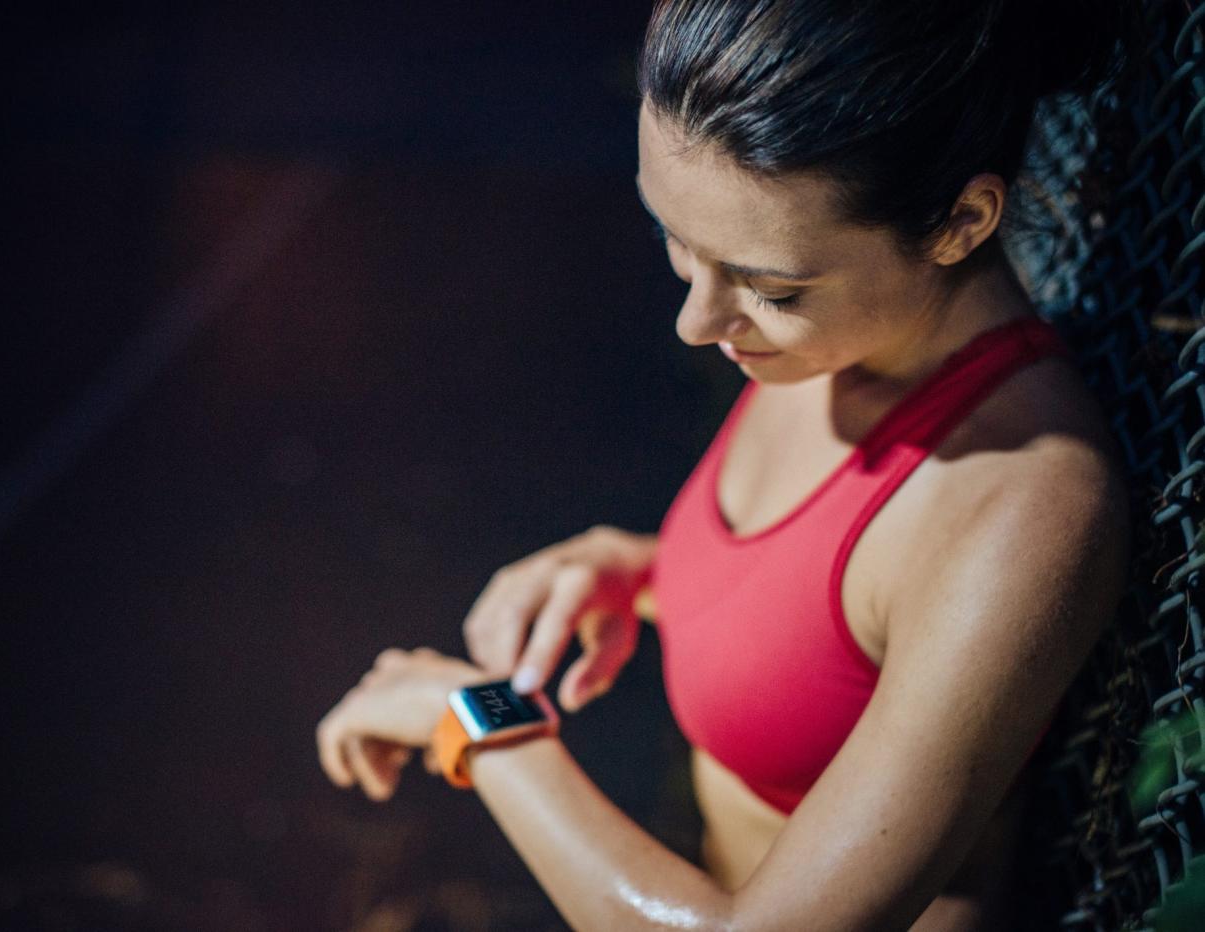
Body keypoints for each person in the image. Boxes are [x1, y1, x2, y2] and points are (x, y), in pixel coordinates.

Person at [315, 1, 1139, 927]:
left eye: (769, 285)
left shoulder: (1019, 508)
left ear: (960, 222)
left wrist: (478, 722)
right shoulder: (836, 333)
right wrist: (644, 568)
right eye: (678, 238)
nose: (696, 323)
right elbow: (839, 616)